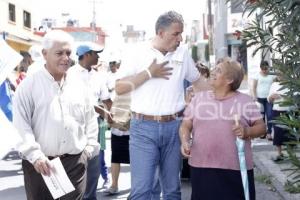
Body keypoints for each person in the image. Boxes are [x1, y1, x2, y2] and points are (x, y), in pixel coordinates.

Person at [115, 11, 206, 199]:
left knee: (173, 190)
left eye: (181, 33)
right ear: (160, 33)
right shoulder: (137, 52)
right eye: (176, 34)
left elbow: (199, 83)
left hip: (174, 128)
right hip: (143, 129)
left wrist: (227, 101)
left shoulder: (182, 52)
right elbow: (119, 87)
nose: (180, 38)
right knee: (142, 190)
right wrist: (149, 73)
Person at [13, 30, 99, 200]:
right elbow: (21, 125)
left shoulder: (80, 85)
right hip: (40, 166)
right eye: (59, 53)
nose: (66, 58)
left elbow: (90, 119)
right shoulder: (29, 86)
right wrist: (35, 156)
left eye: (68, 53)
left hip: (75, 164)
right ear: (45, 54)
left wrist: (88, 150)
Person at [180, 58, 266, 200]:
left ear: (229, 80)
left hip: (236, 168)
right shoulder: (198, 99)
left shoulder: (245, 101)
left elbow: (261, 127)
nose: (212, 72)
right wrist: (184, 140)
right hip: (201, 166)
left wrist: (247, 132)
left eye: (218, 70)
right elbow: (186, 124)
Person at [67, 42, 112, 200]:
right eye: (95, 53)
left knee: (95, 164)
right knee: (76, 164)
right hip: (73, 125)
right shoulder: (69, 73)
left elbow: (106, 100)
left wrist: (112, 115)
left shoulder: (99, 76)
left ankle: (90, 196)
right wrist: (100, 109)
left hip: (96, 124)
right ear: (86, 55)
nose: (98, 57)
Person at [267, 74, 292, 162]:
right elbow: (269, 99)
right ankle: (279, 153)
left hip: (288, 111)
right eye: (278, 74)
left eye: (281, 74)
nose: (280, 76)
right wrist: (272, 97)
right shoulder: (274, 85)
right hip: (276, 110)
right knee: (277, 131)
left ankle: (291, 154)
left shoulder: (290, 84)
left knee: (289, 133)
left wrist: (282, 96)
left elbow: (295, 97)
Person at [252, 61, 275, 140]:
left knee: (269, 115)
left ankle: (269, 133)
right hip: (260, 98)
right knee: (261, 117)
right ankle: (263, 132)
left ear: (268, 67)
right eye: (263, 69)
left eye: (266, 69)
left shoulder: (272, 75)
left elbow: (275, 85)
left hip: (269, 98)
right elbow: (254, 87)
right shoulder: (257, 75)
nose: (264, 71)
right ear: (260, 68)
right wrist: (254, 96)